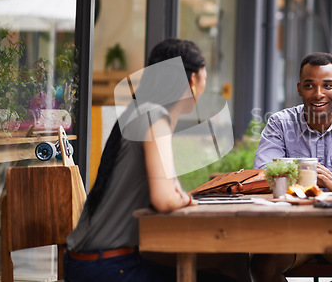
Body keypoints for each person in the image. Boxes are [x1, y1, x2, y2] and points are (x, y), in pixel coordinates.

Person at [64, 38, 248, 282]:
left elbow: (169, 190)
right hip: (109, 266)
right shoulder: (153, 118)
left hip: (95, 260)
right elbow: (164, 198)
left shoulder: (143, 112)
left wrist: (177, 196)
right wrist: (181, 198)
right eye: (204, 80)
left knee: (229, 263)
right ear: (192, 81)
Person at [250, 52, 332, 282]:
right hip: (292, 232)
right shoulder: (280, 124)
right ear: (299, 88)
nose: (319, 94)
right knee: (261, 266)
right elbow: (263, 174)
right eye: (310, 85)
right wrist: (316, 178)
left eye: (328, 85)